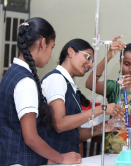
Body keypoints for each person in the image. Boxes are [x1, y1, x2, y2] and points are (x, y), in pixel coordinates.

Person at [0, 17, 81, 166]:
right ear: (43, 43)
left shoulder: (11, 73)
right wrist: (61, 158)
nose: (51, 54)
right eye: (52, 47)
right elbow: (30, 137)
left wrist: (47, 158)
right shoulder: (26, 82)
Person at [41, 38, 124, 156]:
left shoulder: (70, 85)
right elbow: (59, 124)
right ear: (70, 52)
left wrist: (99, 128)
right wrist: (101, 109)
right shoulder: (56, 79)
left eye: (92, 62)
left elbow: (77, 133)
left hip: (67, 158)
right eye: (88, 57)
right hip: (54, 157)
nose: (90, 65)